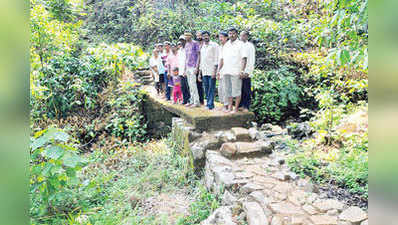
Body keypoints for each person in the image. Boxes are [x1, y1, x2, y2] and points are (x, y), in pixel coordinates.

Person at [218, 28, 248, 113]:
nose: (232, 35)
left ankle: (235, 109)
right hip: (226, 71)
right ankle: (230, 107)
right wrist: (219, 71)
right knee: (228, 91)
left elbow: (244, 58)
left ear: (236, 34)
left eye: (233, 33)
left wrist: (242, 70)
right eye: (230, 33)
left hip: (236, 71)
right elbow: (222, 59)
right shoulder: (226, 45)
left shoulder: (240, 44)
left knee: (236, 91)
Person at [199, 31, 219, 110]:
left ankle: (210, 104)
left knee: (211, 88)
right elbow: (201, 60)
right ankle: (209, 103)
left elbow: (216, 58)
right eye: (204, 36)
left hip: (211, 70)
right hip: (204, 71)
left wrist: (215, 70)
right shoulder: (202, 47)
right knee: (206, 88)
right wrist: (200, 73)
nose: (205, 37)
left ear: (209, 36)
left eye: (207, 36)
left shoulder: (214, 45)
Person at [239, 31, 255, 112]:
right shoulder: (240, 45)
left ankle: (246, 106)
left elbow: (251, 60)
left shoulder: (250, 46)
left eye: (243, 36)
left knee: (247, 89)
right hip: (240, 71)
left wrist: (248, 71)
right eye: (241, 35)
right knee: (240, 89)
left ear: (247, 36)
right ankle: (241, 105)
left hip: (247, 71)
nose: (242, 37)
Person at [184, 32, 201, 108]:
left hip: (193, 66)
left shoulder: (195, 43)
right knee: (190, 85)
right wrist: (185, 69)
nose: (186, 37)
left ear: (191, 36)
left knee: (193, 85)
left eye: (188, 35)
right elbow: (186, 57)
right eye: (185, 35)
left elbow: (198, 55)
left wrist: (197, 67)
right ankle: (191, 100)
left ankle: (196, 102)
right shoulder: (186, 44)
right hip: (188, 67)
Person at [216, 31, 229, 111]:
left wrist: (218, 70)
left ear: (226, 38)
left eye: (222, 37)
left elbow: (223, 60)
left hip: (226, 70)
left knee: (225, 88)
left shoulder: (228, 46)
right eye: (219, 37)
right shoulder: (220, 47)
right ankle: (222, 104)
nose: (220, 39)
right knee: (220, 88)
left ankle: (226, 105)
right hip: (220, 71)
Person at [177, 36, 190, 105]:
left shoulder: (188, 49)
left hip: (187, 71)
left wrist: (185, 70)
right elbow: (179, 61)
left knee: (188, 86)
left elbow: (188, 61)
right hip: (181, 71)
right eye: (181, 40)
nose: (182, 42)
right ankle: (185, 100)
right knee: (183, 86)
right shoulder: (179, 51)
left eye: (183, 40)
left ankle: (189, 100)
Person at [195, 31, 205, 105]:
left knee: (205, 84)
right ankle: (200, 100)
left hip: (205, 66)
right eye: (197, 35)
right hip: (197, 66)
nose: (199, 37)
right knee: (198, 84)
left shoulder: (205, 44)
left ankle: (203, 100)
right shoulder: (196, 44)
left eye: (200, 35)